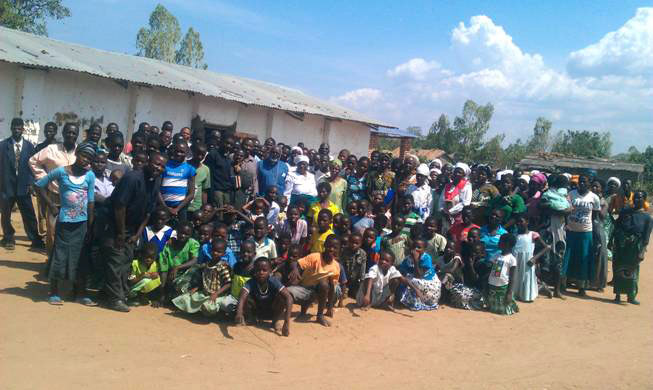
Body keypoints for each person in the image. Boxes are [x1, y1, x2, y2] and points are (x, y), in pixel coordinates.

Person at [98, 152, 166, 312]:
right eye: (156, 164)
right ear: (148, 161)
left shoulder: (155, 181)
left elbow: (149, 211)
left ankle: (110, 293)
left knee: (126, 261)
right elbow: (120, 207)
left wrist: (137, 233)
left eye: (162, 166)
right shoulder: (132, 178)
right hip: (114, 225)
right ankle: (115, 299)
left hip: (132, 229)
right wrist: (121, 234)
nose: (159, 168)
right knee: (115, 261)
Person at [34, 142, 97, 305]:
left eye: (89, 159)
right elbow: (39, 186)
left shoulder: (90, 176)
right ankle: (54, 292)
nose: (86, 161)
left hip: (82, 224)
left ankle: (80, 293)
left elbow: (91, 202)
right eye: (84, 156)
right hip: (64, 222)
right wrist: (51, 204)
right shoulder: (61, 172)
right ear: (77, 154)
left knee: (81, 257)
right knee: (59, 256)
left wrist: (90, 226)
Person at [30, 122, 79, 255]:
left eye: (74, 133)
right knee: (52, 232)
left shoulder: (80, 151)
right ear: (63, 134)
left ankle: (62, 264)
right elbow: (33, 161)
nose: (71, 135)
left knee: (69, 233)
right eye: (68, 132)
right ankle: (50, 260)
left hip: (75, 198)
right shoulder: (52, 149)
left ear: (77, 136)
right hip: (55, 196)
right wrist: (45, 178)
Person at [0, 118, 44, 250]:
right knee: (6, 214)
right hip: (6, 187)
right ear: (11, 128)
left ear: (23, 129)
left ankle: (35, 239)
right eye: (14, 128)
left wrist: (31, 183)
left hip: (24, 187)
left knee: (29, 214)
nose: (17, 130)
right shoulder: (3, 146)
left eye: (19, 128)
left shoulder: (30, 146)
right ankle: (8, 238)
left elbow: (33, 167)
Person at [287, 234, 342, 327]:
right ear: (324, 245)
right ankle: (303, 306)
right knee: (286, 291)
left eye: (335, 247)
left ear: (339, 250)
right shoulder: (315, 257)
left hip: (318, 293)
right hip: (304, 289)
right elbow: (298, 263)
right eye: (329, 246)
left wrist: (330, 307)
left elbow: (332, 286)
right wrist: (296, 270)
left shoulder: (336, 266)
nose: (331, 249)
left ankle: (320, 315)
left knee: (327, 285)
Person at [172, 240, 232, 316]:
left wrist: (216, 294)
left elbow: (228, 283)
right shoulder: (207, 264)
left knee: (208, 307)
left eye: (218, 252)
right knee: (185, 298)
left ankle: (215, 312)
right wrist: (197, 288)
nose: (215, 253)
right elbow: (205, 280)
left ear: (224, 254)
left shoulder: (223, 266)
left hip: (217, 295)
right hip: (205, 293)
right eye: (213, 250)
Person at [235, 257, 293, 336]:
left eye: (264, 270)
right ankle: (251, 318)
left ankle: (275, 321)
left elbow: (289, 298)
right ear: (254, 271)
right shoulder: (251, 282)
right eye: (258, 270)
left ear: (270, 271)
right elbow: (242, 297)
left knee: (282, 297)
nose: (261, 272)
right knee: (245, 295)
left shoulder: (273, 281)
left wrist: (286, 323)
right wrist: (239, 313)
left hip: (271, 312)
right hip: (257, 312)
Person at [563, 174, 600, 297]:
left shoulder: (594, 198)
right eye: (580, 182)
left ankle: (582, 286)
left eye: (585, 182)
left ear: (589, 183)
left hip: (586, 232)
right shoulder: (571, 194)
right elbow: (565, 210)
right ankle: (564, 283)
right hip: (571, 231)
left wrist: (595, 235)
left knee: (583, 259)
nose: (582, 184)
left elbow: (594, 217)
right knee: (568, 257)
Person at [612, 190, 652, 305]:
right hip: (622, 245)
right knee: (618, 268)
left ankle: (631, 296)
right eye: (635, 197)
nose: (637, 199)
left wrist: (642, 252)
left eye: (640, 198)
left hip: (635, 247)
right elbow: (617, 226)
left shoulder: (647, 218)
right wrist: (612, 241)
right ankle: (618, 295)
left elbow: (646, 237)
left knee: (632, 271)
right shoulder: (625, 212)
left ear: (644, 200)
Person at [357, 250, 423, 310]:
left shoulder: (392, 269)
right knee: (367, 280)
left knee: (396, 280)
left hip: (379, 295)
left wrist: (416, 290)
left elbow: (403, 279)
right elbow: (370, 279)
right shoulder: (375, 268)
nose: (383, 262)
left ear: (391, 263)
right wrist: (367, 295)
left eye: (386, 261)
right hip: (366, 297)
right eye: (382, 259)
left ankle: (386, 303)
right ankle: (367, 304)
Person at [155, 222, 200, 306]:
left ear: (190, 235)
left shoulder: (192, 243)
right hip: (170, 274)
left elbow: (194, 260)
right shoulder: (168, 246)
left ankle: (176, 298)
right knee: (158, 278)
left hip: (185, 273)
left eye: (186, 234)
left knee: (195, 269)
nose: (183, 236)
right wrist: (162, 293)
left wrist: (178, 267)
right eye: (181, 233)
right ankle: (165, 296)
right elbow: (164, 269)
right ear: (177, 232)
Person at [398, 238, 442, 311]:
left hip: (429, 285)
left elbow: (419, 275)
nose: (415, 249)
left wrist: (416, 260)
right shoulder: (408, 258)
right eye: (414, 247)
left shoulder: (426, 258)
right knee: (403, 279)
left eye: (419, 247)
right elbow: (401, 271)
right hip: (417, 283)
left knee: (411, 281)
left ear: (424, 250)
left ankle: (418, 302)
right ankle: (408, 300)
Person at [159, 142, 196, 224]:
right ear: (173, 151)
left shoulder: (190, 169)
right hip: (163, 207)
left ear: (186, 153)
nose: (179, 153)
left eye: (182, 152)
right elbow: (157, 189)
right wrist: (165, 207)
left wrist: (177, 209)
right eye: (177, 151)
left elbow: (191, 194)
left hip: (180, 209)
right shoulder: (164, 165)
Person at [513, 214, 547, 302]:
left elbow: (546, 247)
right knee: (516, 277)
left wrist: (534, 258)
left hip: (528, 260)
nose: (519, 224)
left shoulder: (533, 234)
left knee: (527, 278)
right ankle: (516, 294)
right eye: (517, 222)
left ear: (527, 222)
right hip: (516, 259)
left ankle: (532, 293)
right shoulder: (514, 235)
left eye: (521, 221)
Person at [487, 233, 519, 315]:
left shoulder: (512, 259)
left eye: (501, 241)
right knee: (493, 302)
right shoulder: (496, 255)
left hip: (503, 285)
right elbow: (489, 266)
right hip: (492, 284)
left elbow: (512, 278)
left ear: (508, 244)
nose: (498, 243)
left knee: (504, 305)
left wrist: (509, 293)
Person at [204, 134, 234, 215]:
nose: (228, 146)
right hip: (217, 190)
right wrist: (211, 192)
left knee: (226, 214)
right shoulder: (213, 154)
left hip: (226, 191)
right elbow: (208, 174)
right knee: (218, 215)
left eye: (231, 144)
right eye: (227, 143)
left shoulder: (228, 157)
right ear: (221, 142)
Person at [437, 162, 472, 232]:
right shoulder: (448, 186)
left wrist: (450, 212)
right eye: (456, 171)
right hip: (445, 217)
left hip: (458, 217)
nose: (457, 174)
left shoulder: (466, 186)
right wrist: (442, 210)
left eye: (460, 172)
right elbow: (441, 200)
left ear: (464, 175)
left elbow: (465, 203)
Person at [340, 231, 367, 298]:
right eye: (352, 242)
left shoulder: (363, 253)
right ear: (348, 242)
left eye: (356, 243)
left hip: (355, 280)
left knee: (356, 296)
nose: (354, 245)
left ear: (361, 244)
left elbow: (363, 268)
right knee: (343, 295)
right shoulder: (344, 251)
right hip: (344, 279)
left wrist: (362, 281)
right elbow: (340, 265)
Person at [188, 142, 210, 214]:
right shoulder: (185, 165)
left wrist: (204, 206)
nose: (200, 157)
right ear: (193, 152)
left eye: (202, 155)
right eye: (198, 154)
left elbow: (204, 190)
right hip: (183, 205)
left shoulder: (206, 169)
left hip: (197, 207)